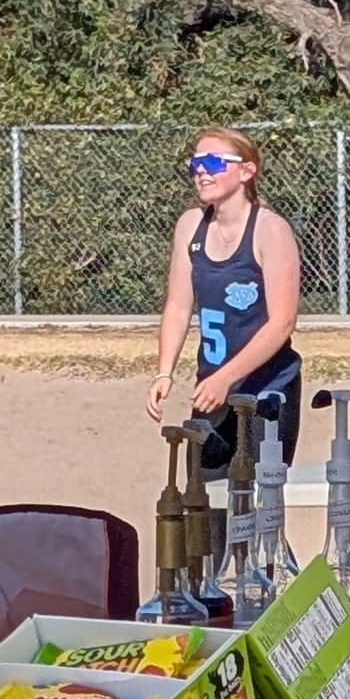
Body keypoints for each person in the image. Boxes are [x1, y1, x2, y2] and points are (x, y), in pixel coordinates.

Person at [143, 127, 304, 477]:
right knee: (203, 500)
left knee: (259, 500)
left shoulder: (270, 230)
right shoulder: (191, 225)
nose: (201, 170)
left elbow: (282, 322)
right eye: (196, 163)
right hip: (211, 391)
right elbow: (178, 306)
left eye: (214, 162)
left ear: (246, 171)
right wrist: (164, 372)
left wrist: (226, 378)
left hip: (266, 391)